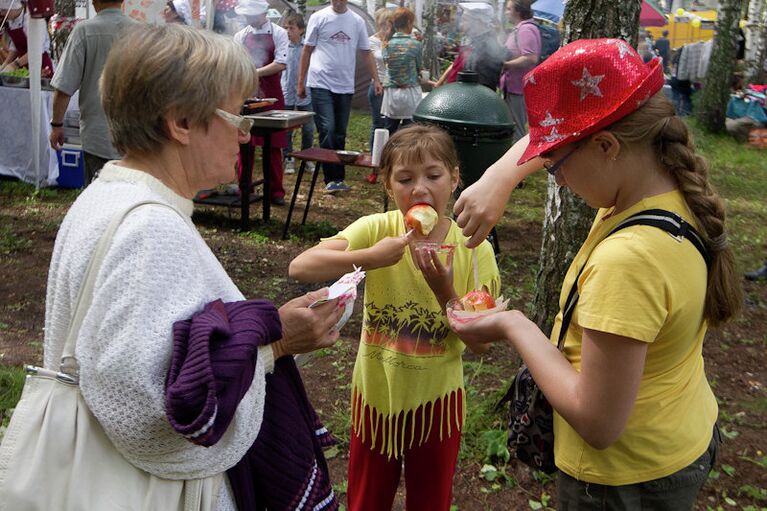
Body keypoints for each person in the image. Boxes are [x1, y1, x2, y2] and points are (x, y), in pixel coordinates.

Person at [44, 23, 344, 509]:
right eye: (238, 116)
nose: (245, 136)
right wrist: (276, 345)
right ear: (181, 122)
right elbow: (153, 420)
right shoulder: (148, 231)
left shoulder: (107, 196)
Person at [450, 39, 742, 508]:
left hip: (624, 481)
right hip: (676, 437)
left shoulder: (628, 259)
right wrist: (500, 176)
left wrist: (512, 323)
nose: (556, 177)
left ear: (607, 145)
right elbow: (562, 137)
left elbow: (599, 423)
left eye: (557, 165)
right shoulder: (664, 190)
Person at [289, 124, 500, 511]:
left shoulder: (472, 250)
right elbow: (300, 267)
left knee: (430, 502)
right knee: (366, 501)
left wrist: (444, 292)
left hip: (436, 406)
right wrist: (370, 257)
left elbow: (481, 342)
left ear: (454, 179)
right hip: (376, 398)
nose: (419, 189)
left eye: (433, 176)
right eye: (405, 179)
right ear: (388, 187)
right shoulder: (378, 230)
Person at [297, 0, 382, 194]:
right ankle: (331, 178)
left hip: (344, 84)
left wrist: (376, 79)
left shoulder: (357, 21)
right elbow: (307, 50)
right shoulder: (319, 17)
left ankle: (338, 176)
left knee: (340, 132)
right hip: (320, 82)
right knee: (327, 128)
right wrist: (300, 82)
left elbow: (366, 53)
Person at [48, 0, 135, 184]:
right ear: (123, 1)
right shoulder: (141, 32)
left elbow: (64, 87)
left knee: (97, 200)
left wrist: (56, 125)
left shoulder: (84, 31)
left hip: (98, 135)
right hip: (135, 136)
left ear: (94, 2)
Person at [234, 0, 289, 206]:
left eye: (252, 15)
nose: (248, 19)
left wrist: (255, 72)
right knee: (244, 142)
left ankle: (275, 190)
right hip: (247, 93)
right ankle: (244, 187)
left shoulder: (279, 33)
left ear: (263, 13)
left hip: (272, 93)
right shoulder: (241, 35)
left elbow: (281, 63)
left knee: (274, 145)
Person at [281, 11, 315, 176]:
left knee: (308, 127)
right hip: (286, 92)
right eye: (286, 28)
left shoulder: (307, 48)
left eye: (292, 28)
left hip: (305, 93)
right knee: (287, 128)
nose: (288, 31)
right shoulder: (282, 46)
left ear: (301, 30)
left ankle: (307, 156)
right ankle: (288, 156)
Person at [502, 0, 541, 144]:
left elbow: (531, 57)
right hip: (513, 86)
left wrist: (506, 65)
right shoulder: (519, 29)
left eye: (508, 9)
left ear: (517, 11)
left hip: (518, 87)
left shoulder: (526, 30)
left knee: (517, 127)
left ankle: (519, 162)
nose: (506, 12)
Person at [381, 7, 424, 136]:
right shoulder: (415, 44)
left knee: (389, 130)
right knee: (409, 132)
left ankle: (385, 154)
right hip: (410, 92)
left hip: (392, 93)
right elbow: (418, 67)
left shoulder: (386, 44)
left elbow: (386, 64)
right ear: (409, 22)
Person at [366, 7, 392, 184]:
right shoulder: (372, 41)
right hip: (378, 86)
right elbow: (378, 60)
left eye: (389, 23)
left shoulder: (398, 41)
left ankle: (390, 166)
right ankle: (375, 166)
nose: (386, 27)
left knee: (392, 125)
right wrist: (385, 45)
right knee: (378, 125)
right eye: (383, 24)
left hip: (395, 88)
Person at [0, 0, 54, 76]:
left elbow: (36, 49)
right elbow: (15, 47)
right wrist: (6, 64)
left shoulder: (32, 20)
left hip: (41, 66)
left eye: (4, 10)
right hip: (24, 67)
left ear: (15, 8)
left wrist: (15, 64)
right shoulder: (11, 21)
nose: (2, 14)